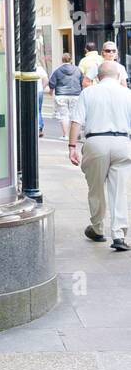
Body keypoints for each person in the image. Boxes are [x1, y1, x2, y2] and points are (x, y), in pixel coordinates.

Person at [70, 61, 131, 251]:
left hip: (96, 142)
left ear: (98, 76)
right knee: (119, 190)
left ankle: (97, 228)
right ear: (119, 76)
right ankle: (119, 234)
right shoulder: (128, 94)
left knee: (95, 188)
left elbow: (76, 121)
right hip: (122, 142)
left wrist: (72, 146)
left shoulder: (88, 92)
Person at [49, 52, 83, 142]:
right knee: (74, 115)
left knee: (64, 116)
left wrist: (51, 91)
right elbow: (82, 81)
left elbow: (52, 83)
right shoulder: (77, 70)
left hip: (61, 95)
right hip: (75, 94)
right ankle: (74, 135)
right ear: (71, 60)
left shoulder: (57, 70)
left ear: (62, 60)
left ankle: (65, 135)